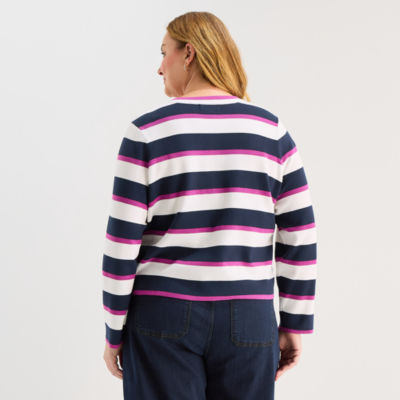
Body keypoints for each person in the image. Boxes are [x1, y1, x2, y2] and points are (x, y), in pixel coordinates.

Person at [102, 11, 317, 400]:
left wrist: (114, 330)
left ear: (189, 53)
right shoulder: (272, 133)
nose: (159, 67)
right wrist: (294, 323)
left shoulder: (146, 133)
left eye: (164, 52)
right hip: (249, 317)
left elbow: (121, 244)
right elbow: (299, 234)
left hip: (161, 314)